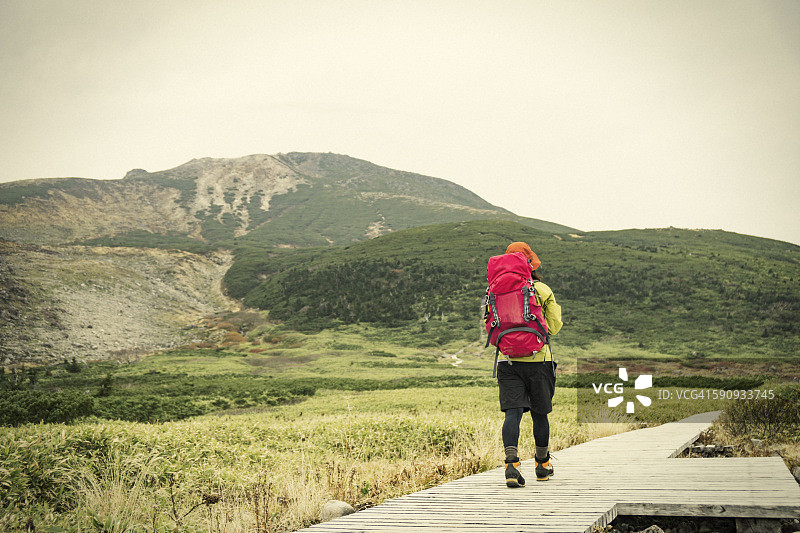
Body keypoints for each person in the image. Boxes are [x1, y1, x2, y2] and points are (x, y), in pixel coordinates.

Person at [495, 241, 562, 486]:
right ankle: (542, 465)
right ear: (531, 263)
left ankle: (511, 466)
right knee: (540, 414)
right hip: (539, 361)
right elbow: (553, 327)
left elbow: (489, 326)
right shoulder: (542, 289)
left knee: (512, 414)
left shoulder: (494, 290)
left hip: (508, 362)